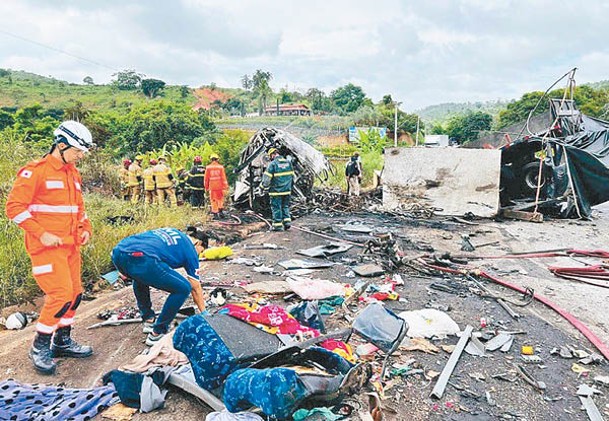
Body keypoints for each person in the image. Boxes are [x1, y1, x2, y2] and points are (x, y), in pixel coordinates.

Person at [5, 120, 95, 374]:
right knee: (60, 295)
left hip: (70, 246)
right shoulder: (36, 171)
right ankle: (39, 346)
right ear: (62, 145)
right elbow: (13, 208)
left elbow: (79, 209)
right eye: (78, 151)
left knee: (75, 294)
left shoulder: (73, 173)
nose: (80, 156)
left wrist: (85, 229)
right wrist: (41, 233)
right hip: (46, 248)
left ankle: (62, 341)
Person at [111, 227, 206, 346]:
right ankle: (157, 333)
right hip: (142, 257)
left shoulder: (174, 232)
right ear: (199, 243)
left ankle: (148, 320)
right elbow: (195, 287)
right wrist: (204, 314)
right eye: (201, 251)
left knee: (140, 276)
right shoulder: (190, 250)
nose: (199, 255)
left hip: (118, 253)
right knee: (183, 288)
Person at [261, 147, 294, 231]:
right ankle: (287, 222)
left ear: (273, 155)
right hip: (287, 191)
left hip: (276, 192)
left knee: (276, 208)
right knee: (285, 206)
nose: (270, 158)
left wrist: (262, 187)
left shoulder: (273, 164)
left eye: (270, 156)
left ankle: (277, 225)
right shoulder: (288, 163)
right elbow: (292, 177)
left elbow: (266, 180)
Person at [204, 153, 229, 219]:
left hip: (212, 187)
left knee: (213, 199)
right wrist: (225, 186)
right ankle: (220, 211)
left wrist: (206, 187)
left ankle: (215, 214)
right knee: (220, 199)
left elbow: (206, 179)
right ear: (217, 159)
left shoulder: (208, 167)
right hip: (220, 186)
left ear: (211, 159)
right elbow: (223, 178)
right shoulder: (221, 167)